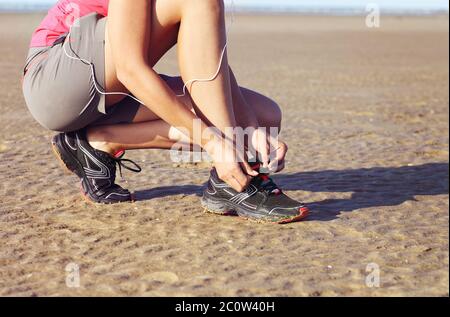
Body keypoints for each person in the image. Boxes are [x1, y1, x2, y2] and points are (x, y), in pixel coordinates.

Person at [22, 0, 309, 223]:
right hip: (55, 79)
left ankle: (96, 142)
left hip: (103, 89)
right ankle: (230, 182)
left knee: (265, 116)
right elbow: (130, 70)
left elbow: (209, 64)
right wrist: (213, 142)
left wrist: (250, 127)